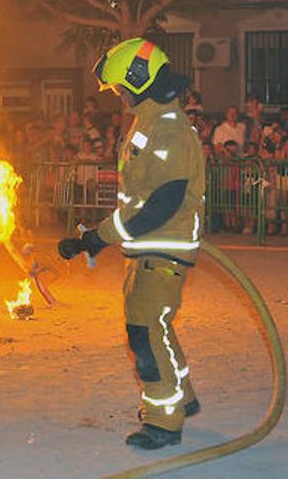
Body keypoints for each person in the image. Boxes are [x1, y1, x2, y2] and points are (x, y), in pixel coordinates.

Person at [57, 38, 204, 451]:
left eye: (121, 87)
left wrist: (98, 238)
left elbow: (162, 201)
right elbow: (141, 193)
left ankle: (163, 421)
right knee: (156, 324)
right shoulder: (149, 121)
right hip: (147, 246)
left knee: (143, 331)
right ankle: (183, 397)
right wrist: (98, 238)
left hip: (163, 244)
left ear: (138, 81)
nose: (119, 96)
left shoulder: (169, 129)